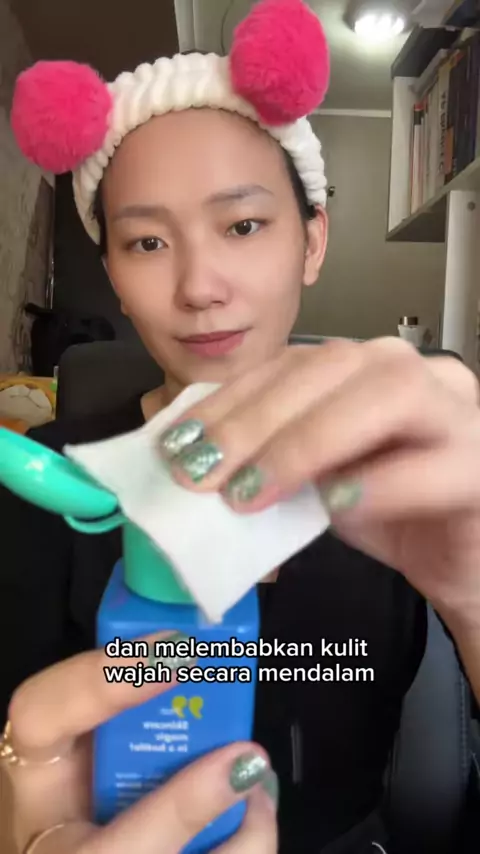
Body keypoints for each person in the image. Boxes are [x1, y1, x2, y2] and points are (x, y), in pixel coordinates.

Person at [2, 0, 480, 852]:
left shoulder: (411, 468)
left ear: (312, 241)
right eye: (147, 244)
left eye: (244, 225)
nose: (199, 286)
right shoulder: (49, 481)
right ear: (113, 275)